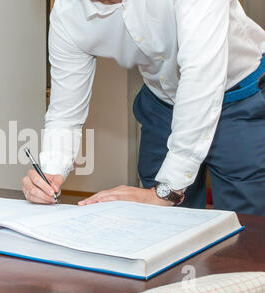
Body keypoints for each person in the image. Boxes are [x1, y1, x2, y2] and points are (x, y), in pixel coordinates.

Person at [22, 0, 265, 215]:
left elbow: (201, 77)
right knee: (160, 226)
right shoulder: (67, 14)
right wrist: (50, 175)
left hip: (240, 96)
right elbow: (65, 114)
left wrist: (166, 191)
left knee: (245, 226)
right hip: (162, 103)